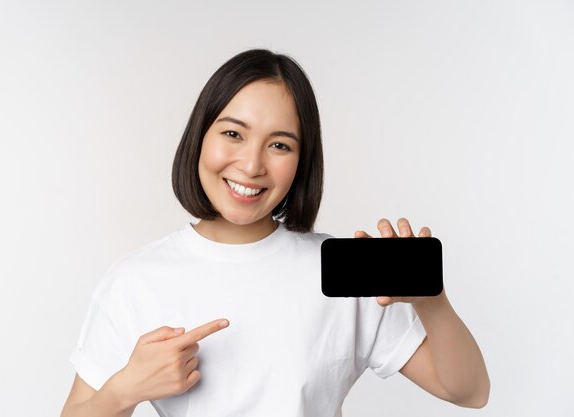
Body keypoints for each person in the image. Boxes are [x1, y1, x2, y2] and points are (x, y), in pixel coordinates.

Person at [60, 48, 490, 417]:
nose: (251, 165)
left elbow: (469, 392)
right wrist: (126, 389)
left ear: (303, 162)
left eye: (280, 144)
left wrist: (432, 303)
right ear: (200, 136)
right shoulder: (137, 280)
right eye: (233, 134)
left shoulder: (344, 273)